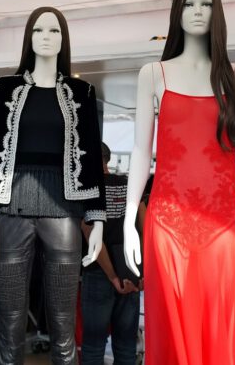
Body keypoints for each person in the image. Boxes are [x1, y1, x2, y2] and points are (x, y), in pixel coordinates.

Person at [122, 0, 235, 364]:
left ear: (217, 13)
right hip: (168, 222)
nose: (198, 11)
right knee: (172, 325)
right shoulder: (154, 74)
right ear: (177, 13)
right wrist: (128, 220)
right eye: (189, 4)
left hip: (223, 224)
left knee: (220, 326)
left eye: (206, 4)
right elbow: (140, 151)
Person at [0, 6, 106, 365]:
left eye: (54, 31)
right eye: (39, 30)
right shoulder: (4, 88)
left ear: (64, 39)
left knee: (63, 326)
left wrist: (97, 218)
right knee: (10, 325)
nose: (46, 37)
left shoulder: (82, 91)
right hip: (10, 209)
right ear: (28, 37)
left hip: (64, 210)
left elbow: (92, 153)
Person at [81, 142, 143, 365]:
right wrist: (142, 271)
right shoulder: (129, 186)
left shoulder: (87, 189)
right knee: (126, 346)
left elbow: (90, 232)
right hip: (130, 272)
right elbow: (145, 226)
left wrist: (112, 276)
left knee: (93, 346)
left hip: (99, 273)